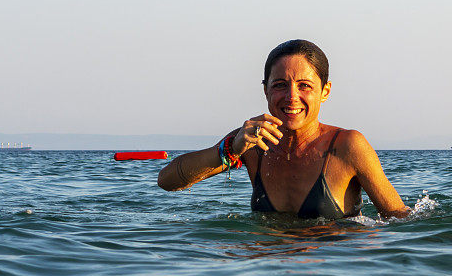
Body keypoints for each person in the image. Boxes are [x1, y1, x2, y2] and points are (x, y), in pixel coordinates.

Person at [158, 39, 410, 220]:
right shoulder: (251, 142)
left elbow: (400, 219)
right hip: (269, 271)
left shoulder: (347, 145)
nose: (291, 97)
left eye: (304, 86)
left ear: (325, 91)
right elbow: (167, 182)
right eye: (279, 85)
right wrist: (232, 149)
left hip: (334, 272)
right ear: (265, 89)